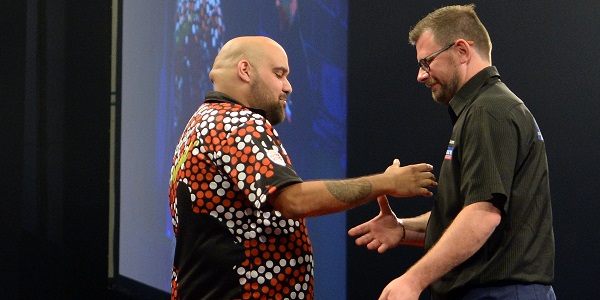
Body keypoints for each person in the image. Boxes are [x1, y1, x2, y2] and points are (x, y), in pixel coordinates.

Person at [168, 35, 437, 300]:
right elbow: (293, 199)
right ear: (245, 70)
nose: (288, 86)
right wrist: (388, 182)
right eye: (279, 73)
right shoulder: (238, 123)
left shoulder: (199, 124)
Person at [348, 4, 555, 300]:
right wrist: (403, 229)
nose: (421, 75)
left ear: (461, 50)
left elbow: (481, 216)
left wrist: (413, 280)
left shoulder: (488, 111)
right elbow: (469, 214)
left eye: (426, 62)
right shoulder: (486, 109)